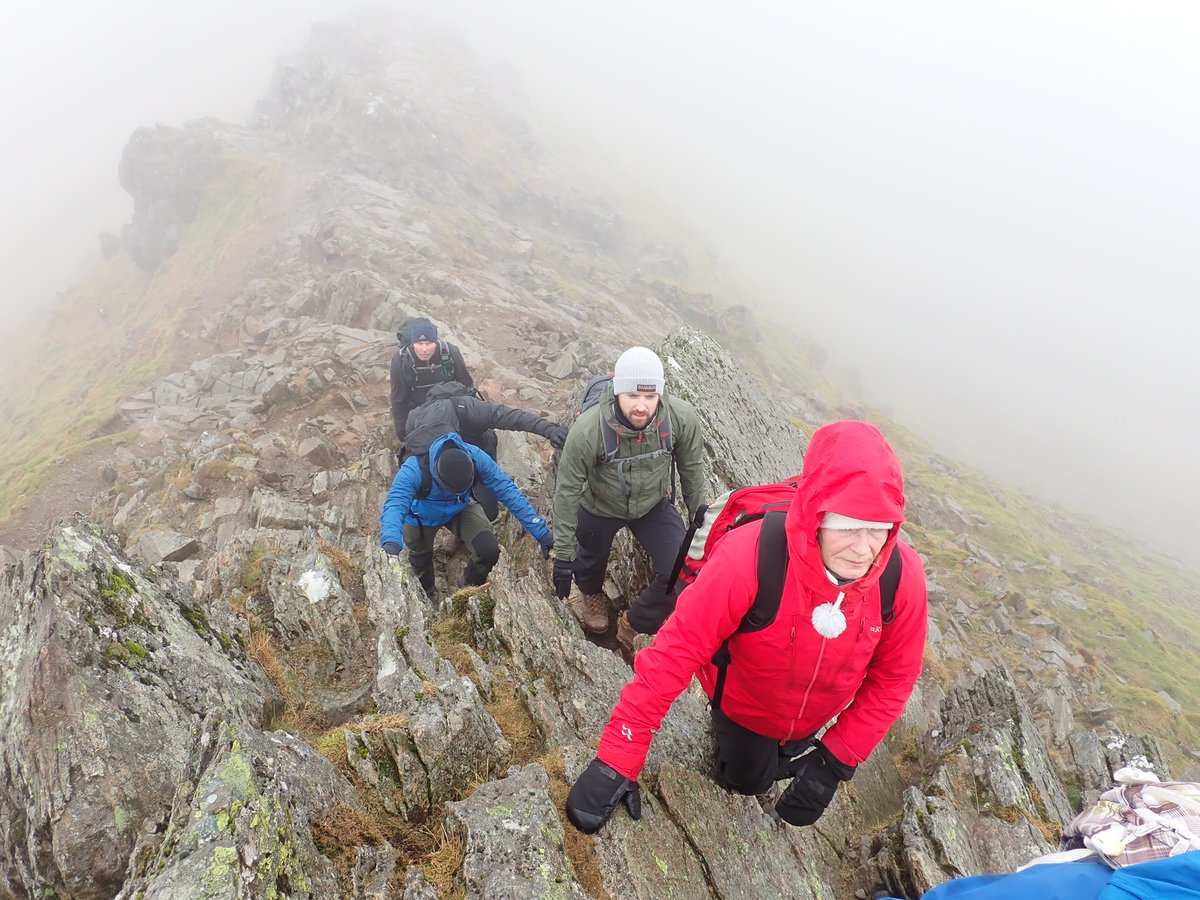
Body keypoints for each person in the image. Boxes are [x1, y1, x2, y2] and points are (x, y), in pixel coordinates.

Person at [564, 420, 928, 834]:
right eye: (847, 525)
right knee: (746, 779)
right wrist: (618, 754)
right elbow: (677, 650)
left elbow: (895, 678)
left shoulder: (901, 577)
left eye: (878, 528)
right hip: (743, 709)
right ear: (816, 512)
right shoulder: (751, 554)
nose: (863, 547)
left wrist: (835, 759)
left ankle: (783, 757)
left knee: (784, 761)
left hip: (815, 719)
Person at [550, 346, 706, 648]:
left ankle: (635, 623)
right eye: (632, 395)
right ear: (617, 390)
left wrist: (699, 518)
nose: (641, 406)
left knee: (679, 569)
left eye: (649, 396)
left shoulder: (679, 418)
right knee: (591, 558)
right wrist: (564, 556)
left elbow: (692, 469)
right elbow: (567, 492)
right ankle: (591, 593)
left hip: (652, 504)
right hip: (599, 505)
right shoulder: (588, 430)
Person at [380, 432, 554, 593]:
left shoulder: (475, 456)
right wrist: (390, 543)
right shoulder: (414, 469)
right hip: (421, 515)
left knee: (488, 550)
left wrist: (541, 532)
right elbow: (395, 504)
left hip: (460, 508)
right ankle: (426, 592)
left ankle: (469, 588)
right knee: (420, 558)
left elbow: (507, 491)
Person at [405, 381, 568, 521]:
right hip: (442, 461)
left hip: (480, 447)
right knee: (446, 492)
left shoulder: (471, 410)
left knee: (490, 512)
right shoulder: (417, 425)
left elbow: (512, 417)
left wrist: (549, 429)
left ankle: (474, 519)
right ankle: (461, 526)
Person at [389, 317, 473, 447]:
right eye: (419, 344)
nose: (424, 349)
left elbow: (466, 385)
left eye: (428, 344)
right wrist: (403, 434)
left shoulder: (451, 353)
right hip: (420, 413)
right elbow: (398, 399)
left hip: (449, 407)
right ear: (412, 343)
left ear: (436, 342)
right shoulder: (401, 361)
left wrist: (471, 416)